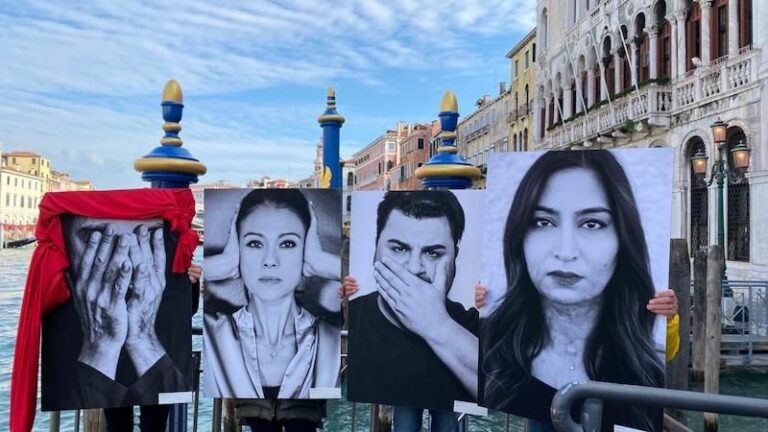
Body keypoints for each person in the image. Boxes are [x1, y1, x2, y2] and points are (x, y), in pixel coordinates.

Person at [480, 150, 667, 432]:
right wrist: (471, 304)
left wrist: (671, 316)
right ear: (520, 236)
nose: (565, 252)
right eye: (544, 222)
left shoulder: (645, 359)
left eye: (591, 224)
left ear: (622, 239)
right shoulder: (489, 346)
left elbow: (670, 352)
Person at [203, 189, 340, 429]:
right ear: (238, 251)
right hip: (258, 412)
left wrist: (319, 261)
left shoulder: (326, 337)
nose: (270, 260)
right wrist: (224, 264)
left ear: (305, 252)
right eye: (254, 243)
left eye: (288, 243)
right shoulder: (217, 334)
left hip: (304, 412)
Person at [346, 191, 479, 432]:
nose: (414, 269)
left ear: (455, 257)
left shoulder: (470, 322)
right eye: (398, 249)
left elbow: (499, 381)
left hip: (446, 401)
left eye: (433, 253)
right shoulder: (356, 314)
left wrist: (436, 323)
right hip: (403, 401)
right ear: (375, 246)